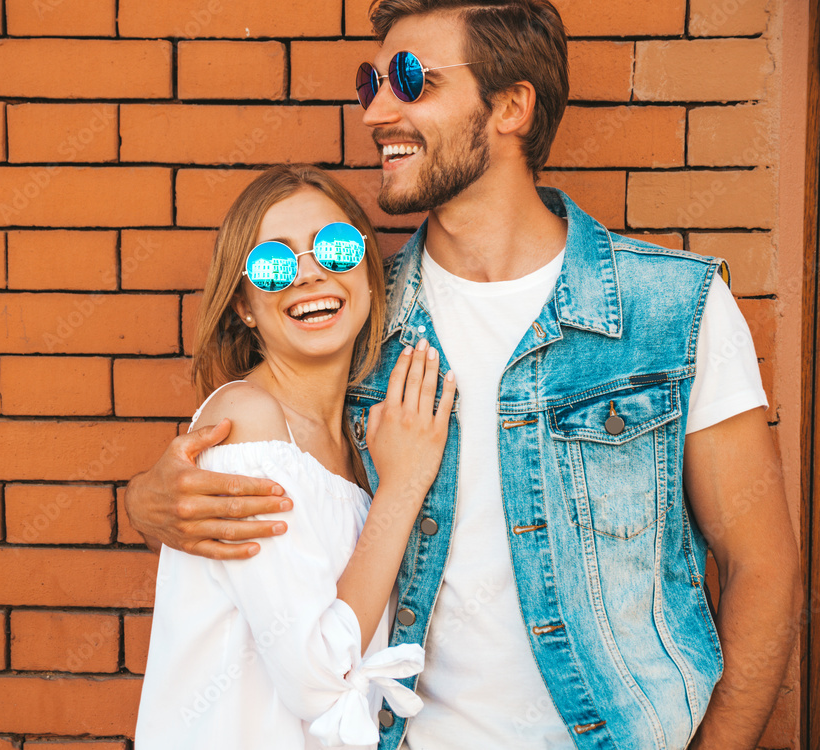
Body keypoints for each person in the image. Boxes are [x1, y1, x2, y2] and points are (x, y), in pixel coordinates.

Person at [125, 2, 801, 749]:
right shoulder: (354, 324)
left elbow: (761, 569)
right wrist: (151, 502)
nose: (378, 110)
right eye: (371, 83)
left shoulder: (672, 309)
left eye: (412, 80)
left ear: (511, 106)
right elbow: (261, 453)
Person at [132, 164, 457, 749]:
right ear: (244, 306)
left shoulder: (355, 446)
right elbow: (318, 675)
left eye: (334, 248)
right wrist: (404, 485)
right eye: (274, 264)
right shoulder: (247, 424)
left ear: (369, 275)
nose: (307, 274)